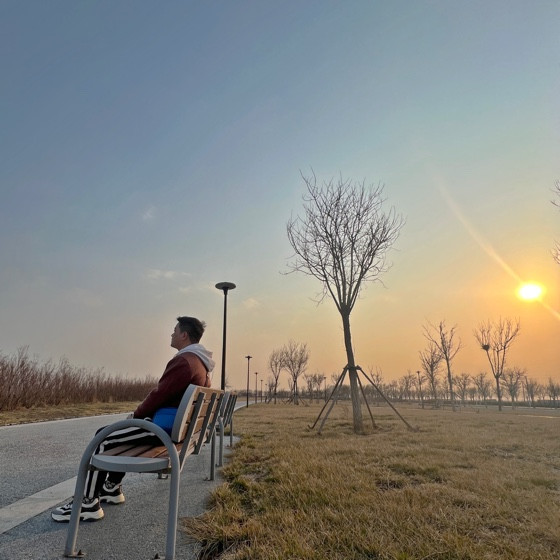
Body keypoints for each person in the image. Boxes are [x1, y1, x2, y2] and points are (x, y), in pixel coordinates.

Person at [51, 316, 214, 522]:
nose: (171, 334)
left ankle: (87, 502)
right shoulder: (201, 364)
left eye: (175, 330)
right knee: (113, 434)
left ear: (184, 335)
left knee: (103, 437)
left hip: (163, 431)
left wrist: (136, 416)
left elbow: (159, 394)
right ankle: (111, 488)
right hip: (178, 430)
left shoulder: (184, 361)